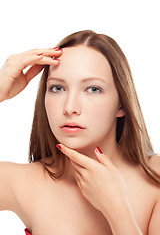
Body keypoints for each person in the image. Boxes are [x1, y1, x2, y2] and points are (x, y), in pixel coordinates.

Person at [0, 30, 160, 235]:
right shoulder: (21, 182)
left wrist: (118, 209)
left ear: (122, 104)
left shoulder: (155, 179)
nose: (70, 107)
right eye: (57, 88)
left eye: (93, 89)